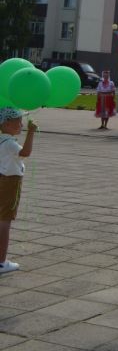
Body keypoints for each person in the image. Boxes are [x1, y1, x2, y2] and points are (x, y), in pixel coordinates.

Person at [0, 108, 37, 274]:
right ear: (7, 124)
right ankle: (1, 262)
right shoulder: (9, 143)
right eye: (18, 121)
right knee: (5, 220)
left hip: (1, 178)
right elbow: (26, 152)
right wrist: (31, 133)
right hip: (10, 183)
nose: (21, 124)